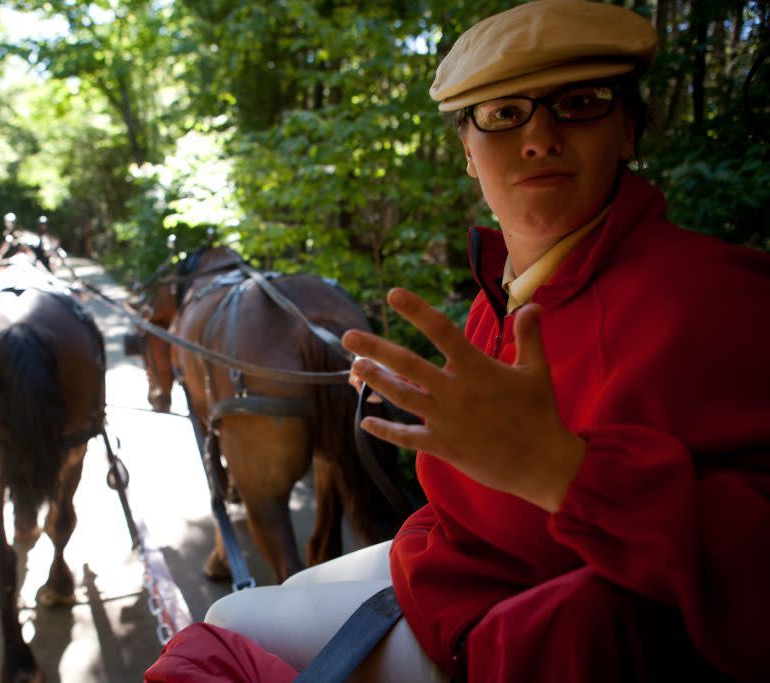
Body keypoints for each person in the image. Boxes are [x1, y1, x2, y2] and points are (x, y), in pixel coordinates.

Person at [148, 1, 770, 681]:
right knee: (284, 594)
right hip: (448, 556)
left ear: (628, 129)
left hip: (512, 628)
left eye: (579, 102)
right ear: (469, 155)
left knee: (228, 624)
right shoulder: (499, 290)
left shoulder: (726, 296)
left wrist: (567, 474)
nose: (538, 138)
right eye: (504, 115)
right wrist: (425, 407)